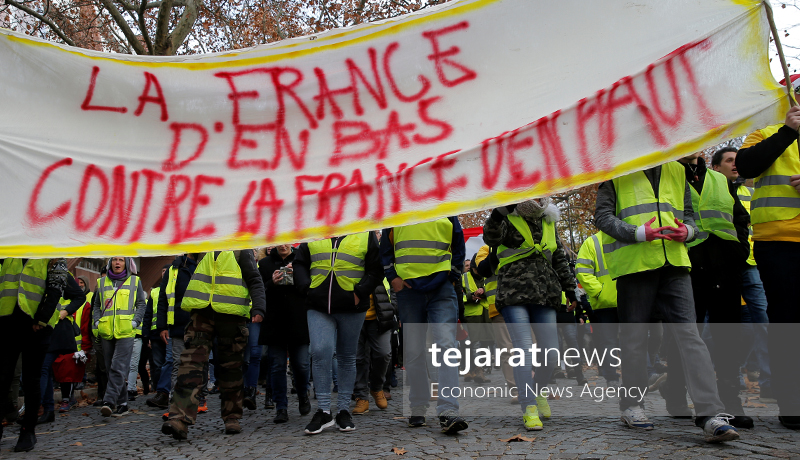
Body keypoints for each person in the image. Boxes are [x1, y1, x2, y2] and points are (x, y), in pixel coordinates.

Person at [595, 161, 740, 442]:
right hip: (634, 264)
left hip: (675, 262)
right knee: (635, 340)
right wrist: (638, 233)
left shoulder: (677, 169)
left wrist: (689, 231)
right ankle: (632, 406)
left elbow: (689, 215)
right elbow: (602, 217)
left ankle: (710, 413)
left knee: (690, 336)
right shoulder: (615, 170)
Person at [661, 152, 752, 428]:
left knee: (729, 336)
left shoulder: (719, 179)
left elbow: (739, 219)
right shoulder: (667, 176)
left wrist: (739, 249)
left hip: (725, 266)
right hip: (687, 266)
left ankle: (730, 401)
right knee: (687, 336)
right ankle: (676, 393)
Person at [735, 88, 800, 429]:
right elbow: (746, 165)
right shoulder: (767, 129)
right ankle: (792, 403)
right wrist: (788, 131)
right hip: (778, 243)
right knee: (788, 322)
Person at [484, 198, 576, 431]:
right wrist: (497, 213)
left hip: (545, 293)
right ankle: (528, 407)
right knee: (523, 350)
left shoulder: (549, 219)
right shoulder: (507, 215)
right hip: (514, 293)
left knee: (551, 353)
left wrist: (570, 288)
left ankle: (537, 391)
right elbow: (491, 237)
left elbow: (558, 259)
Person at [161, 250, 266, 439]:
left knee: (231, 369)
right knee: (190, 364)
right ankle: (179, 418)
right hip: (201, 315)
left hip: (232, 316)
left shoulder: (241, 249)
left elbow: (255, 280)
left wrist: (258, 307)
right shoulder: (203, 243)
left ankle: (232, 416)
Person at [381, 217, 469, 434]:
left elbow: (458, 243)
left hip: (441, 289)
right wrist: (393, 277)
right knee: (413, 352)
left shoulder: (447, 208)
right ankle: (418, 406)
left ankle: (448, 410)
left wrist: (454, 275)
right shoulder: (397, 210)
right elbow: (385, 249)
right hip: (409, 291)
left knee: (447, 347)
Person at [294, 232, 382, 434]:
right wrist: (306, 287)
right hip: (318, 304)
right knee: (319, 351)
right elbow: (300, 262)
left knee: (346, 356)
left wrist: (360, 292)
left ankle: (343, 410)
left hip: (352, 305)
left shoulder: (365, 233)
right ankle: (324, 410)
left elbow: (375, 269)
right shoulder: (314, 230)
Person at [710, 147, 772, 401]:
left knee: (764, 322)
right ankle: (726, 377)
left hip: (750, 264)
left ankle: (769, 379)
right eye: (729, 160)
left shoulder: (748, 192)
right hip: (720, 267)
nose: (735, 164)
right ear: (715, 167)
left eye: (737, 160)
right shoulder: (710, 191)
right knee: (719, 326)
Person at [0, 258, 79, 452]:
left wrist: (42, 319)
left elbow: (56, 289)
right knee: (2, 377)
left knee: (31, 379)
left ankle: (28, 431)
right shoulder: (9, 251)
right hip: (7, 324)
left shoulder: (52, 256)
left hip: (37, 328)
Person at [258, 243, 311, 424]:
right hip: (275, 321)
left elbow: (308, 288)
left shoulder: (301, 260)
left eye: (287, 240)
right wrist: (271, 282)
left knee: (302, 364)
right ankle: (281, 406)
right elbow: (259, 290)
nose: (283, 245)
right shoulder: (264, 264)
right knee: (277, 366)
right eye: (279, 241)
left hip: (298, 319)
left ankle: (303, 394)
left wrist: (298, 276)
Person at [91, 257, 147, 418]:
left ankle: (108, 401)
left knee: (118, 366)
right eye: (114, 260)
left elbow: (141, 304)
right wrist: (97, 321)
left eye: (121, 260)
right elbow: (96, 305)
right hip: (106, 331)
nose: (117, 263)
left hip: (126, 331)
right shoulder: (101, 283)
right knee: (110, 368)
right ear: (110, 263)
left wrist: (135, 322)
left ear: (126, 264)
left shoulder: (135, 281)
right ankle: (122, 404)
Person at [147, 256, 198, 413]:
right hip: (177, 325)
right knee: (177, 363)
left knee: (196, 363)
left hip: (199, 324)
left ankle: (196, 398)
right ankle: (177, 401)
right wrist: (162, 326)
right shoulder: (173, 271)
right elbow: (163, 299)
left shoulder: (201, 265)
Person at [38, 273, 86, 424]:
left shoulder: (62, 272)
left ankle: (42, 408)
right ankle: (46, 409)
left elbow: (80, 296)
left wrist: (65, 312)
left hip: (56, 330)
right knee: (43, 369)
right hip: (40, 327)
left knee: (43, 368)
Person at [575, 232, 619, 386]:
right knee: (608, 342)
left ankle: (640, 375)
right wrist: (599, 292)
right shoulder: (592, 242)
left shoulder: (630, 235)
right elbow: (582, 271)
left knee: (634, 338)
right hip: (604, 303)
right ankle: (611, 376)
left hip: (629, 299)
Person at [474, 245, 517, 397]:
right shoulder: (485, 250)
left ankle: (533, 384)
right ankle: (515, 390)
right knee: (507, 349)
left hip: (523, 302)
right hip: (498, 307)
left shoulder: (519, 242)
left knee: (530, 347)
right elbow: (483, 269)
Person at [352, 277, 397, 414]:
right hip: (354, 316)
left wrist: (392, 307)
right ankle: (361, 397)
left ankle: (377, 387)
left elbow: (394, 287)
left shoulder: (380, 262)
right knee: (358, 359)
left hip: (379, 318)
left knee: (384, 353)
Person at [143, 264, 172, 408]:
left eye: (166, 271)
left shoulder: (172, 288)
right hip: (156, 333)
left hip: (171, 330)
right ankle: (159, 390)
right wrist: (146, 334)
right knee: (157, 364)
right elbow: (148, 314)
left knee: (169, 362)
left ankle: (166, 391)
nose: (164, 273)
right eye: (162, 271)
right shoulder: (154, 292)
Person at [460, 257, 492, 384]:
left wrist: (484, 291)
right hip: (471, 315)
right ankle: (475, 370)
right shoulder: (463, 278)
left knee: (485, 344)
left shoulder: (487, 276)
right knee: (472, 344)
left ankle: (477, 370)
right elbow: (458, 296)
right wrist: (470, 297)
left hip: (486, 314)